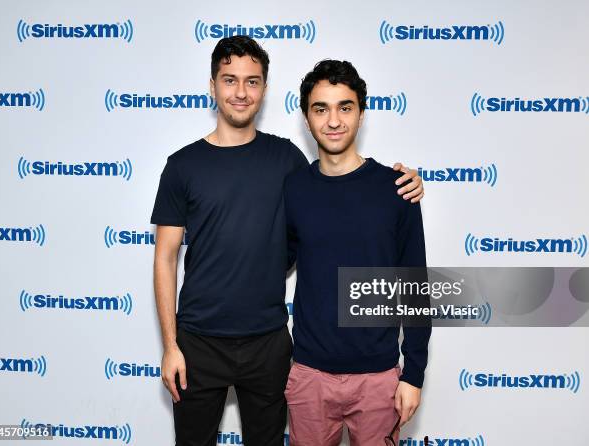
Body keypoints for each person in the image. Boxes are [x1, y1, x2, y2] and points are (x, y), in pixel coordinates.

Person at [150, 36, 425, 446]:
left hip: (279, 347)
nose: (240, 92)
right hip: (213, 346)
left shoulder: (291, 164)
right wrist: (170, 346)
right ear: (212, 86)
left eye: (252, 81)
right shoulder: (190, 166)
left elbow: (410, 283)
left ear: (264, 88)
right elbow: (168, 259)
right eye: (229, 80)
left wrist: (405, 183)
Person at [283, 59, 431, 446]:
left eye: (344, 107)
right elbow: (272, 262)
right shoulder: (293, 188)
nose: (333, 120)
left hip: (379, 379)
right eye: (321, 108)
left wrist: (413, 374)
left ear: (361, 114)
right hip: (309, 375)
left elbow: (415, 286)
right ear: (306, 117)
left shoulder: (396, 189)